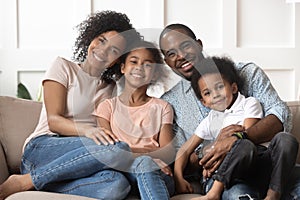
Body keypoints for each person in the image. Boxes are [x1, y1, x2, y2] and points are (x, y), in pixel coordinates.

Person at [0, 10, 141, 200]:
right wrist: (89, 131)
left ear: (118, 60)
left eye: (114, 51)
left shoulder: (111, 87)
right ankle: (25, 181)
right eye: (101, 40)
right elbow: (54, 121)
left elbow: (111, 131)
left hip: (78, 158)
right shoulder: (63, 67)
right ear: (91, 37)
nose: (103, 50)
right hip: (43, 147)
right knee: (116, 149)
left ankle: (39, 184)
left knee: (117, 185)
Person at [159, 23, 299, 200]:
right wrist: (213, 148)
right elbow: (182, 157)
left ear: (199, 44)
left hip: (267, 164)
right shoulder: (170, 102)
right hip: (225, 178)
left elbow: (281, 116)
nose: (180, 56)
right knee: (238, 195)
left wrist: (237, 139)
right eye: (171, 53)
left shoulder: (247, 73)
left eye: (186, 45)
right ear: (167, 62)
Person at [93, 40, 175, 199]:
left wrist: (131, 153)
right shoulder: (107, 107)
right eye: (134, 61)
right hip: (123, 175)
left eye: (147, 64)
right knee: (143, 163)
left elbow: (167, 152)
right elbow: (110, 151)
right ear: (123, 67)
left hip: (158, 174)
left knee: (145, 164)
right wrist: (146, 154)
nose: (139, 67)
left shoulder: (163, 107)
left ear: (155, 74)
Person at [175, 56, 263, 200]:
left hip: (244, 171)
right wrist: (178, 177)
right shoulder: (212, 119)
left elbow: (247, 140)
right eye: (208, 93)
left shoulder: (248, 105)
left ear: (233, 87)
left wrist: (217, 153)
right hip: (213, 177)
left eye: (220, 87)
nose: (215, 95)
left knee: (241, 190)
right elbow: (185, 150)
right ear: (204, 102)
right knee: (237, 193)